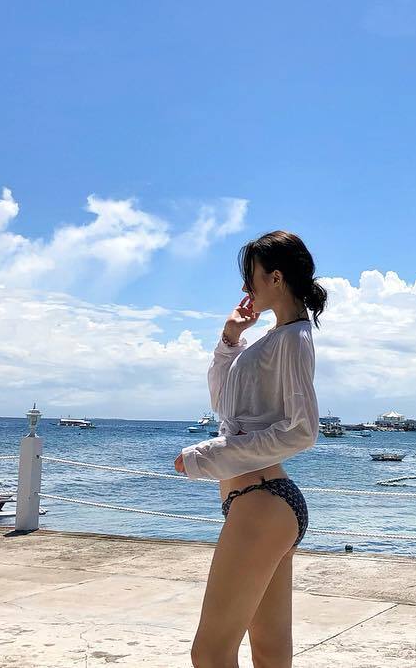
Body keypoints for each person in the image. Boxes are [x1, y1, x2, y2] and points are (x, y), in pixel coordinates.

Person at [174, 230, 326, 668]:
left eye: (251, 276)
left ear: (276, 278)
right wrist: (230, 339)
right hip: (262, 502)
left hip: (262, 501)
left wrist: (204, 458)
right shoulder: (274, 339)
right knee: (270, 652)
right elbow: (226, 407)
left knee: (210, 653)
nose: (245, 287)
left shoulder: (293, 339)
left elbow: (302, 430)